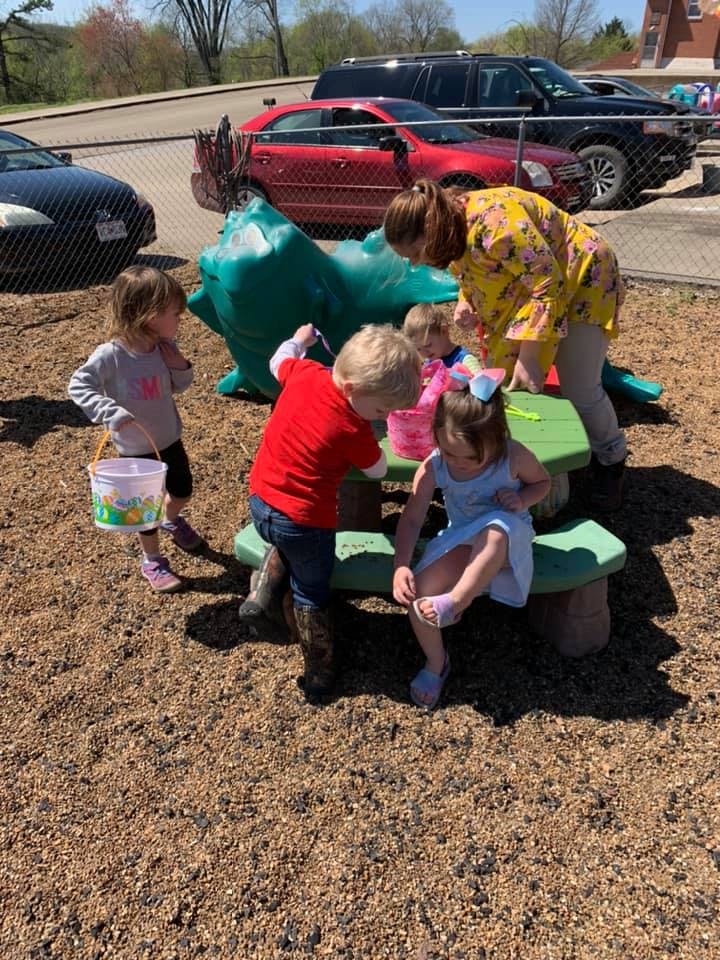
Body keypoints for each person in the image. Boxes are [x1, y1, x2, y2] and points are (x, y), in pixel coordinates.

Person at [384, 180, 628, 512]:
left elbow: (548, 285)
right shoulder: (450, 226)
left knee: (579, 384)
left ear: (431, 230)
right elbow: (470, 268)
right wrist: (466, 301)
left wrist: (530, 355)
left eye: (414, 253)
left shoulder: (497, 225)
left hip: (583, 275)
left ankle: (611, 461)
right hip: (535, 285)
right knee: (503, 378)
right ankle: (513, 465)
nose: (414, 264)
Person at [239, 322, 421, 702]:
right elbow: (378, 471)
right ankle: (319, 670)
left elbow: (279, 360)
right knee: (312, 589)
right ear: (353, 390)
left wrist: (299, 340)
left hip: (260, 499)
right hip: (306, 520)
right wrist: (373, 439)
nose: (383, 417)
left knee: (283, 541)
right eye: (381, 409)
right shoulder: (352, 429)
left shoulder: (305, 372)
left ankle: (263, 593)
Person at [392, 374, 551, 709]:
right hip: (462, 537)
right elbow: (411, 518)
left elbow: (542, 483)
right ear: (435, 436)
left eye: (471, 458)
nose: (459, 463)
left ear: (497, 440)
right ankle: (437, 663)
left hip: (508, 542)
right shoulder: (435, 466)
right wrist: (400, 565)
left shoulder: (513, 456)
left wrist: (522, 500)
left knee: (496, 527)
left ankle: (457, 602)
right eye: (450, 453)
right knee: (417, 596)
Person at [69, 266, 202, 594]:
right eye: (175, 313)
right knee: (146, 512)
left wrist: (179, 365)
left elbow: (180, 386)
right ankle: (152, 561)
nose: (179, 319)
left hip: (169, 438)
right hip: (136, 449)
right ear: (148, 314)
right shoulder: (112, 355)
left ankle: (171, 518)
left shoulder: (161, 348)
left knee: (182, 491)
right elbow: (79, 385)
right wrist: (109, 411)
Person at [402, 302, 481, 374]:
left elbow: (482, 385)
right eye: (418, 349)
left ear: (444, 330)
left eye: (428, 345)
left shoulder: (466, 361)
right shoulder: (428, 366)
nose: (424, 353)